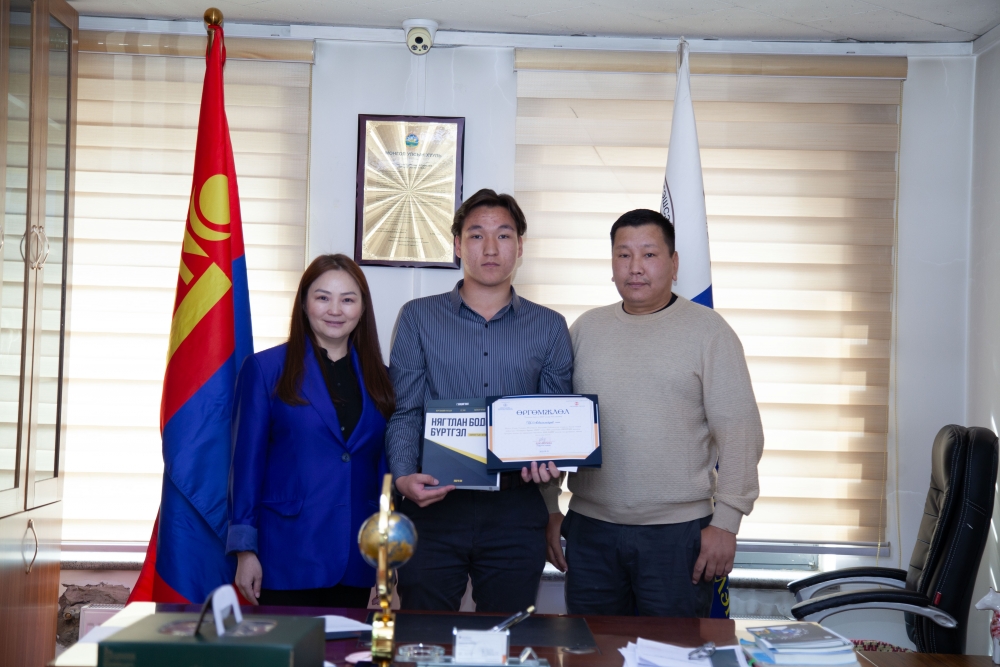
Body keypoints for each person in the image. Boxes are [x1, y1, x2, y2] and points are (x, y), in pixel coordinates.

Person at [546, 208, 764, 617]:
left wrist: (727, 522)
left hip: (677, 536)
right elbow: (553, 425)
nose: (635, 267)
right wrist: (549, 507)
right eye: (623, 255)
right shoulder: (585, 329)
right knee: (593, 647)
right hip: (591, 532)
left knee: (673, 650)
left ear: (674, 263)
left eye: (649, 254)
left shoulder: (709, 332)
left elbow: (741, 433)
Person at [386, 188, 572, 613]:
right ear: (457, 245)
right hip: (434, 502)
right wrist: (402, 478)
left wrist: (552, 465)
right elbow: (405, 411)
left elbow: (553, 423)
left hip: (516, 507)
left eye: (503, 235)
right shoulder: (417, 317)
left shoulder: (550, 327)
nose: (490, 248)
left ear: (520, 246)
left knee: (505, 633)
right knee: (424, 631)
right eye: (476, 235)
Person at [227, 254, 395, 607]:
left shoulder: (382, 378)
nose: (335, 310)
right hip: (286, 553)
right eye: (322, 297)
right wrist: (244, 549)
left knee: (347, 644)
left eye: (347, 299)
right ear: (304, 304)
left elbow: (383, 469)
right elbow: (246, 466)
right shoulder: (265, 369)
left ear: (362, 308)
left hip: (355, 556)